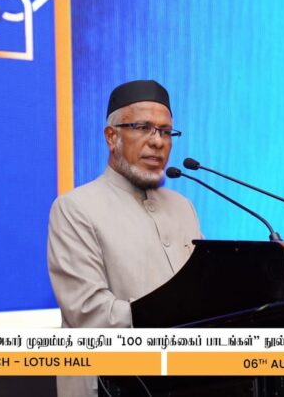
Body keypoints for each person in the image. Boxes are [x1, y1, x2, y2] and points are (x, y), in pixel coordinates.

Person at [47, 80, 202, 397]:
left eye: (165, 132)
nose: (157, 142)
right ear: (111, 136)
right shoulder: (75, 207)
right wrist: (171, 312)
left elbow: (202, 287)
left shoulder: (183, 207)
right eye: (143, 128)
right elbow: (88, 312)